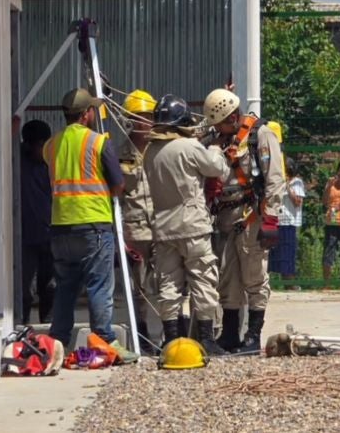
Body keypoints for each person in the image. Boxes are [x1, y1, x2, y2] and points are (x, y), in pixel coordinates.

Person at [143, 94, 231, 356]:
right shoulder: (189, 147)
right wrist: (215, 147)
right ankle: (206, 339)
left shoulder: (151, 152)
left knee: (168, 285)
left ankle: (171, 339)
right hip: (193, 226)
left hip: (163, 227)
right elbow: (217, 168)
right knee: (203, 280)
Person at [202, 88, 285, 354]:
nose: (217, 130)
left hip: (251, 216)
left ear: (232, 117)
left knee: (254, 277)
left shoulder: (261, 135)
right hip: (225, 217)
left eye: (220, 124)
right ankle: (229, 333)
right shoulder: (219, 140)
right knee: (228, 278)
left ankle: (253, 335)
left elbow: (275, 178)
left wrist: (271, 218)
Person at [44, 88, 125, 350]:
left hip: (60, 226)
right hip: (94, 225)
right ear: (87, 114)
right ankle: (103, 342)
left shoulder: (51, 145)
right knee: (98, 286)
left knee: (65, 288)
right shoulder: (98, 142)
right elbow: (118, 185)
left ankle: (58, 342)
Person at [118, 89, 158, 355]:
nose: (146, 122)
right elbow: (121, 190)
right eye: (141, 116)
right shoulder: (121, 153)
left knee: (167, 284)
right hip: (136, 229)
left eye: (149, 116)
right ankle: (141, 333)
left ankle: (170, 332)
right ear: (129, 119)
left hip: (162, 226)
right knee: (139, 288)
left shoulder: (160, 150)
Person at [19, 119, 54, 324]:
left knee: (50, 287)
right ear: (29, 145)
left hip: (50, 236)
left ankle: (49, 327)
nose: (44, 150)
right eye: (41, 145)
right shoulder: (19, 163)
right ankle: (21, 325)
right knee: (24, 290)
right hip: (26, 238)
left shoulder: (52, 165)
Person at [269, 157, 304, 280]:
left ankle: (289, 283)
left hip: (288, 222)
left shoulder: (297, 182)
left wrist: (287, 185)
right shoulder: (276, 181)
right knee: (272, 254)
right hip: (275, 220)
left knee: (287, 254)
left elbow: (297, 202)